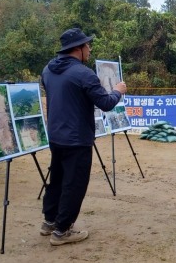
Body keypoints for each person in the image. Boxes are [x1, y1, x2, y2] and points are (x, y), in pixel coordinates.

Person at [41, 28, 127, 246]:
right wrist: (118, 90)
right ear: (77, 49)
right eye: (87, 45)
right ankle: (62, 231)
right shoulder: (84, 74)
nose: (89, 49)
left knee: (57, 179)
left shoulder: (47, 70)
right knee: (74, 184)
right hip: (77, 139)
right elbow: (106, 103)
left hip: (56, 135)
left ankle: (49, 221)